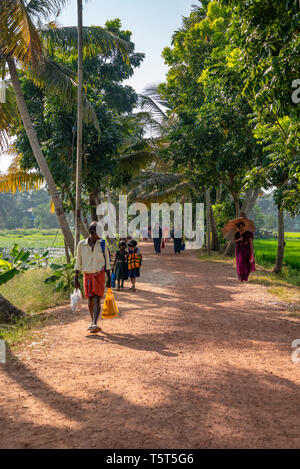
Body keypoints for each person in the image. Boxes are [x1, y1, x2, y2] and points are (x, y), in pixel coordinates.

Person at [74, 222, 111, 333]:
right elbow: (78, 263)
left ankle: (94, 322)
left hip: (99, 275)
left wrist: (109, 278)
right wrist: (76, 278)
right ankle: (92, 321)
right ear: (92, 233)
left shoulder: (103, 244)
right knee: (90, 298)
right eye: (99, 232)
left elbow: (107, 262)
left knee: (97, 298)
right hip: (87, 275)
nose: (101, 235)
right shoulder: (81, 245)